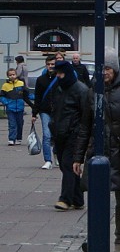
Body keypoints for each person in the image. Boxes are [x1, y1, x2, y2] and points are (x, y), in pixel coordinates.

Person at [71, 49, 120, 252]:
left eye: (107, 68)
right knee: (98, 200)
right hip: (98, 153)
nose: (103, 72)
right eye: (101, 68)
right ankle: (95, 238)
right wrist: (78, 157)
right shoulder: (91, 92)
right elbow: (84, 127)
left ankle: (119, 239)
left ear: (114, 69)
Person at [47, 61, 88, 210]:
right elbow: (55, 110)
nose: (58, 76)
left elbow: (86, 115)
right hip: (60, 132)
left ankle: (65, 198)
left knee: (68, 164)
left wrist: (82, 133)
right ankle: (77, 198)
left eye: (60, 73)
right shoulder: (58, 89)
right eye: (57, 73)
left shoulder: (81, 90)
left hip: (74, 133)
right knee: (67, 167)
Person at [31, 58, 56, 169]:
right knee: (46, 135)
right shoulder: (41, 80)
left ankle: (56, 153)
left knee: (58, 135)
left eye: (53, 64)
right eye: (48, 64)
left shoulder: (60, 78)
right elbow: (38, 97)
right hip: (45, 111)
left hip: (58, 111)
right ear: (46, 65)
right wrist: (34, 113)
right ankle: (48, 160)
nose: (50, 66)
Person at [1, 67, 31, 145]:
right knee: (12, 124)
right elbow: (2, 96)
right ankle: (11, 139)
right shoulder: (5, 85)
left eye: (13, 74)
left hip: (20, 108)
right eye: (10, 75)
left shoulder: (21, 83)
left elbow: (26, 94)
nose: (12, 76)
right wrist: (6, 102)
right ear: (8, 76)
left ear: (16, 75)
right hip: (10, 108)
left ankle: (19, 138)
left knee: (20, 123)